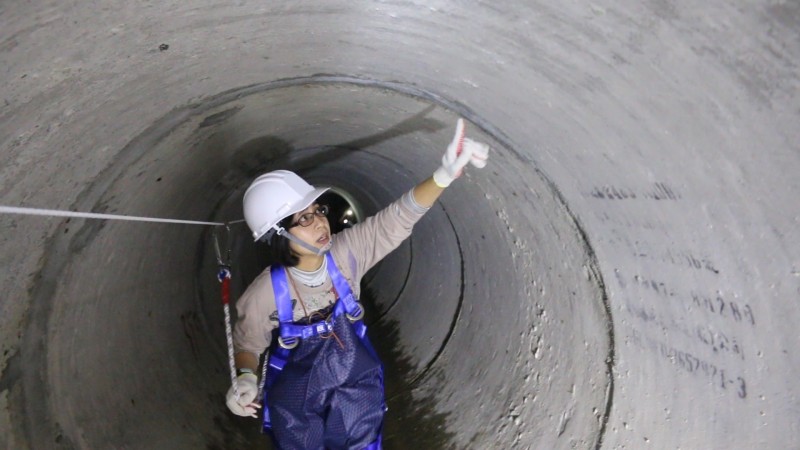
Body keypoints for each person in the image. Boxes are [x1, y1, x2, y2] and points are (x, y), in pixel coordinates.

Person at [225, 118, 490, 449]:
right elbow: (248, 343)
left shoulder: (347, 252)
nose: (320, 221)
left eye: (318, 210)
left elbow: (397, 218)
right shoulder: (267, 291)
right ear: (277, 235)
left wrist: (444, 175)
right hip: (297, 398)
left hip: (355, 385)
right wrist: (247, 379)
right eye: (304, 219)